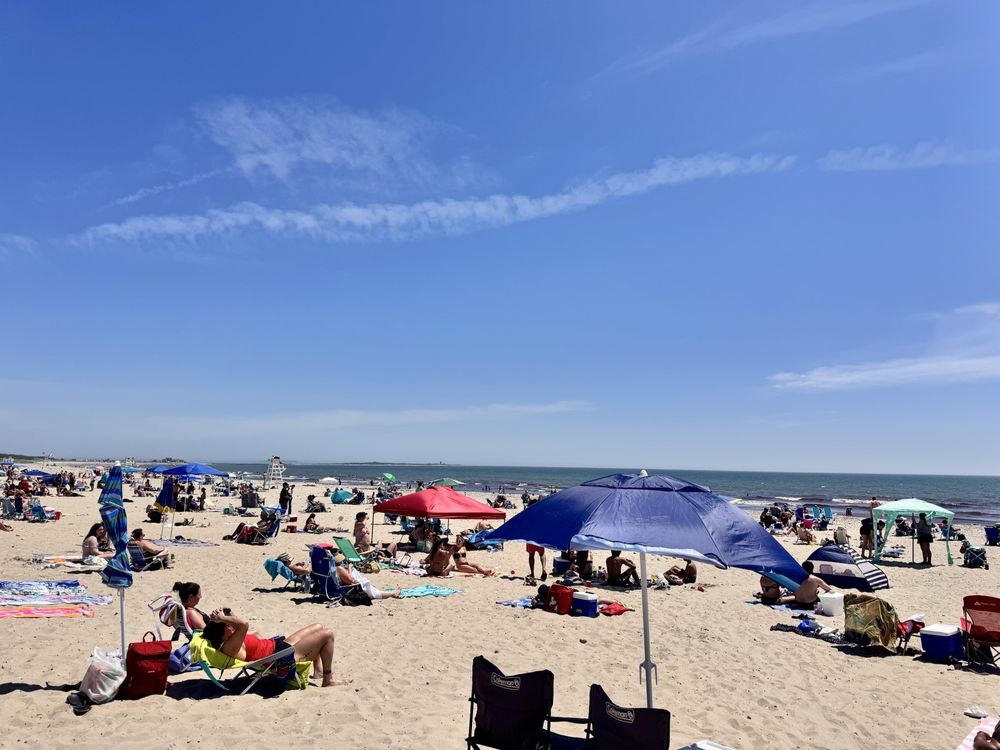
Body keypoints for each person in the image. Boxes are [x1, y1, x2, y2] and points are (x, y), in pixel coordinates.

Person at [202, 608, 348, 687]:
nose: (230, 625)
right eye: (227, 625)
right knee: (328, 634)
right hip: (280, 657)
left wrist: (226, 615)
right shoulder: (229, 647)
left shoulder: (232, 639)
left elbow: (244, 627)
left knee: (318, 626)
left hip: (277, 646)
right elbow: (244, 625)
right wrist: (223, 618)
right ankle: (328, 679)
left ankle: (318, 672)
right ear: (224, 631)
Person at [334, 553, 401, 599]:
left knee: (370, 587)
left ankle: (389, 593)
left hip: (343, 586)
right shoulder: (339, 569)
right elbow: (350, 580)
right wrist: (349, 568)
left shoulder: (330, 568)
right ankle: (392, 594)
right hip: (350, 589)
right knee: (371, 589)